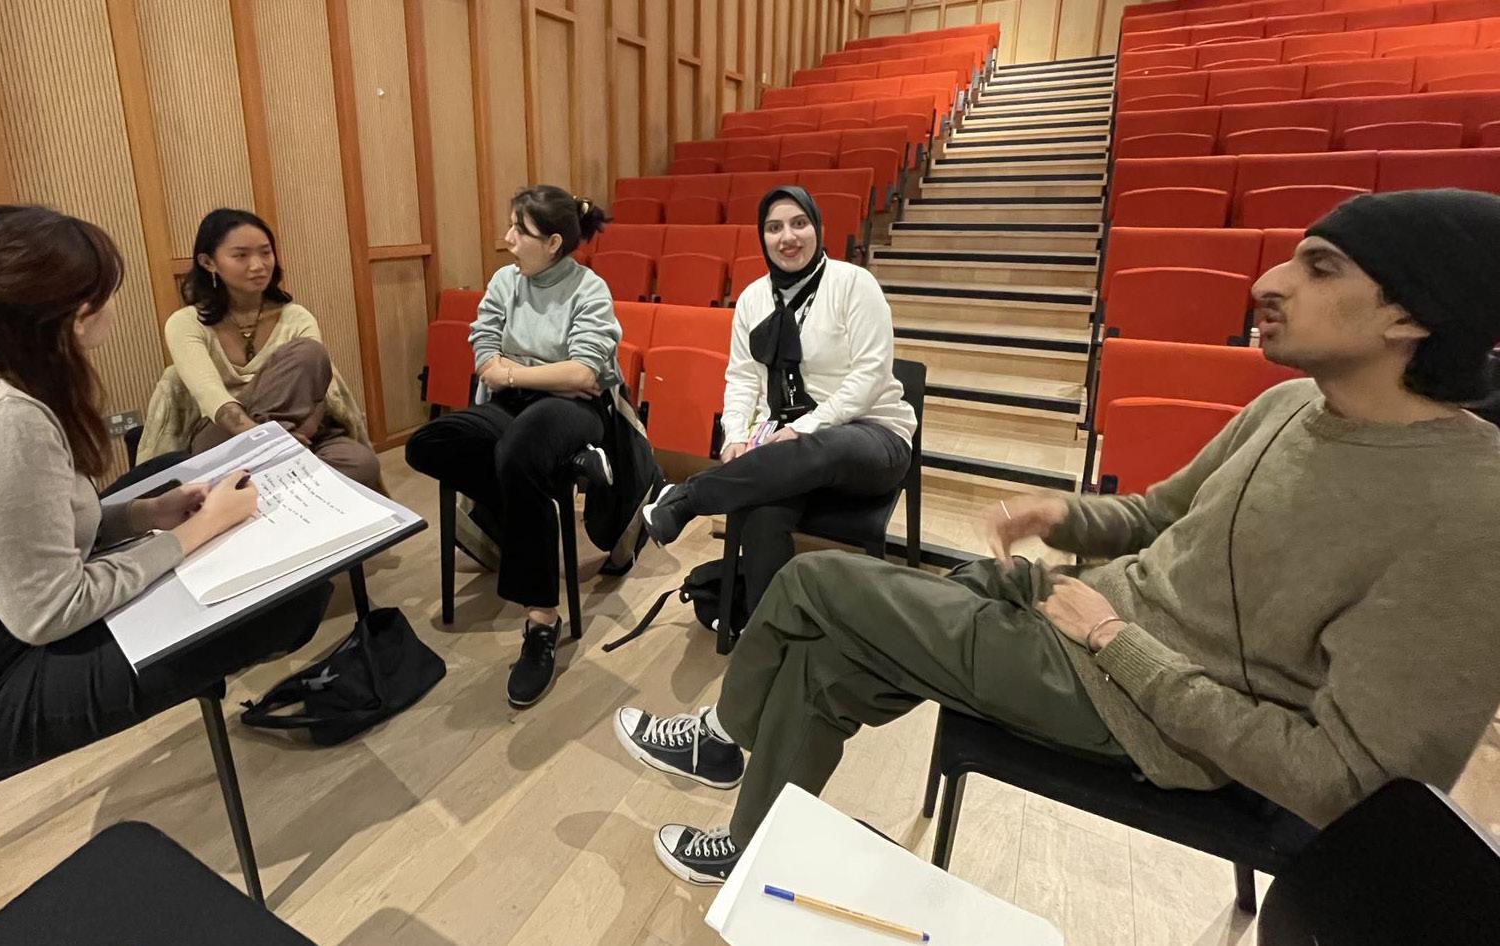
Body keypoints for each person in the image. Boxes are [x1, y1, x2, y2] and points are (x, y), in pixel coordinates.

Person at [612, 188, 1500, 885]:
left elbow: (1354, 785)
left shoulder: (1469, 512)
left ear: (1410, 316)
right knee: (825, 656)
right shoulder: (1290, 404)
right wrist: (1064, 516)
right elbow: (1157, 517)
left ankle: (726, 739)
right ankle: (752, 845)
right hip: (1088, 618)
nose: (1269, 283)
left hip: (1144, 709)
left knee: (816, 587)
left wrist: (1117, 642)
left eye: (1321, 267)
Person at [0, 205, 333, 797]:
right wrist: (193, 532)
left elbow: (29, 527)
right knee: (289, 599)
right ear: (79, 315)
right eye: (109, 297)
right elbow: (49, 612)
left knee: (158, 477)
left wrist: (142, 515)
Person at [406, 185, 657, 710]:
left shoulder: (589, 289)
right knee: (429, 444)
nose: (507, 239)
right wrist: (533, 374)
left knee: (519, 451)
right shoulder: (506, 281)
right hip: (517, 401)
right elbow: (484, 350)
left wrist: (513, 372)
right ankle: (531, 508)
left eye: (520, 231)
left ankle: (541, 619)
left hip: (576, 411)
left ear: (554, 242)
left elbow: (584, 375)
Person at [639, 186, 916, 615]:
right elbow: (741, 378)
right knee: (761, 510)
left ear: (817, 227)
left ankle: (688, 498)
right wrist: (735, 436)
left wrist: (801, 429)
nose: (787, 237)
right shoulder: (753, 298)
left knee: (823, 446)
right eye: (774, 228)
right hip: (787, 449)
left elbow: (870, 377)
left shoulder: (854, 284)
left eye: (798, 223)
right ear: (762, 237)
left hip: (871, 439)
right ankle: (769, 628)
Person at [139, 208, 380, 490]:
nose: (258, 265)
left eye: (265, 253)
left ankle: (266, 482)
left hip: (297, 432)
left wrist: (293, 441)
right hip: (225, 438)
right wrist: (270, 445)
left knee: (361, 463)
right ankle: (275, 477)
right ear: (208, 262)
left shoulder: (295, 317)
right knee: (305, 470)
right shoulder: (185, 323)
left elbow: (318, 393)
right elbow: (212, 398)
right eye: (241, 255)